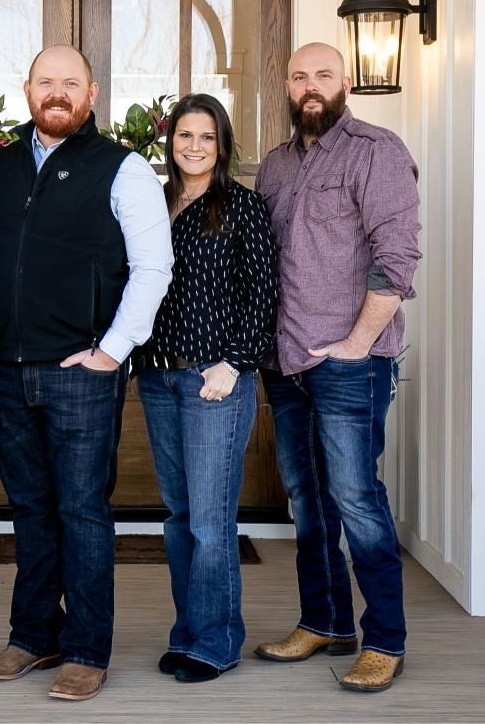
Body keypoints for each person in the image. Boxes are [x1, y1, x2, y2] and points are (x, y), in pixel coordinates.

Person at [0, 44, 173, 703]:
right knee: (30, 508)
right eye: (45, 82)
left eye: (70, 83)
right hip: (10, 369)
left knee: (83, 511)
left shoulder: (123, 168)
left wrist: (113, 350)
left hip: (83, 371)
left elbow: (153, 267)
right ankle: (34, 635)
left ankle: (87, 649)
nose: (56, 93)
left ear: (91, 92)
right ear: (26, 88)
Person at [252, 41, 421, 693]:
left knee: (357, 499)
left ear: (345, 82)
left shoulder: (375, 152)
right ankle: (324, 621)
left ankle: (385, 639)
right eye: (299, 76)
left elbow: (396, 259)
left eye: (323, 74)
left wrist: (356, 342)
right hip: (286, 360)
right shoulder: (274, 166)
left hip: (350, 362)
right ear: (288, 88)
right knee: (307, 500)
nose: (311, 85)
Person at [134, 93, 277, 684]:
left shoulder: (242, 207)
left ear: (222, 145)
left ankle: (217, 641)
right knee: (178, 514)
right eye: (184, 136)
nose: (194, 147)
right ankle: (187, 631)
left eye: (206, 137)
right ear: (171, 142)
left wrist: (234, 363)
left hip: (212, 379)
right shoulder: (154, 203)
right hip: (156, 375)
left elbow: (264, 293)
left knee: (210, 521)